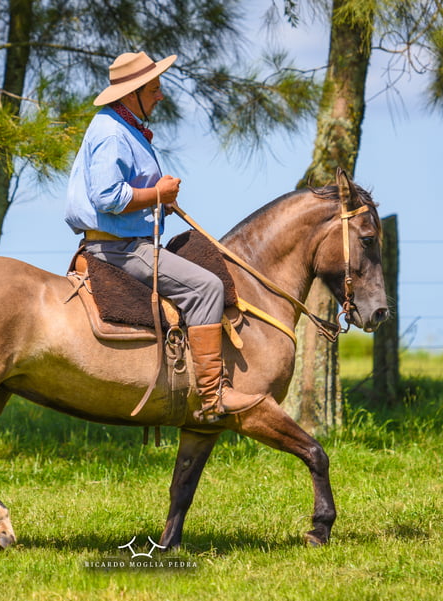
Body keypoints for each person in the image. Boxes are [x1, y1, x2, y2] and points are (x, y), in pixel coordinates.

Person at [65, 51, 267, 422]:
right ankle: (212, 395)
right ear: (133, 93)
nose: (160, 96)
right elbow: (108, 198)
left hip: (124, 242)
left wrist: (155, 197)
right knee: (207, 287)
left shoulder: (120, 127)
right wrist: (158, 195)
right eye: (154, 88)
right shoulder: (112, 132)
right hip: (119, 249)